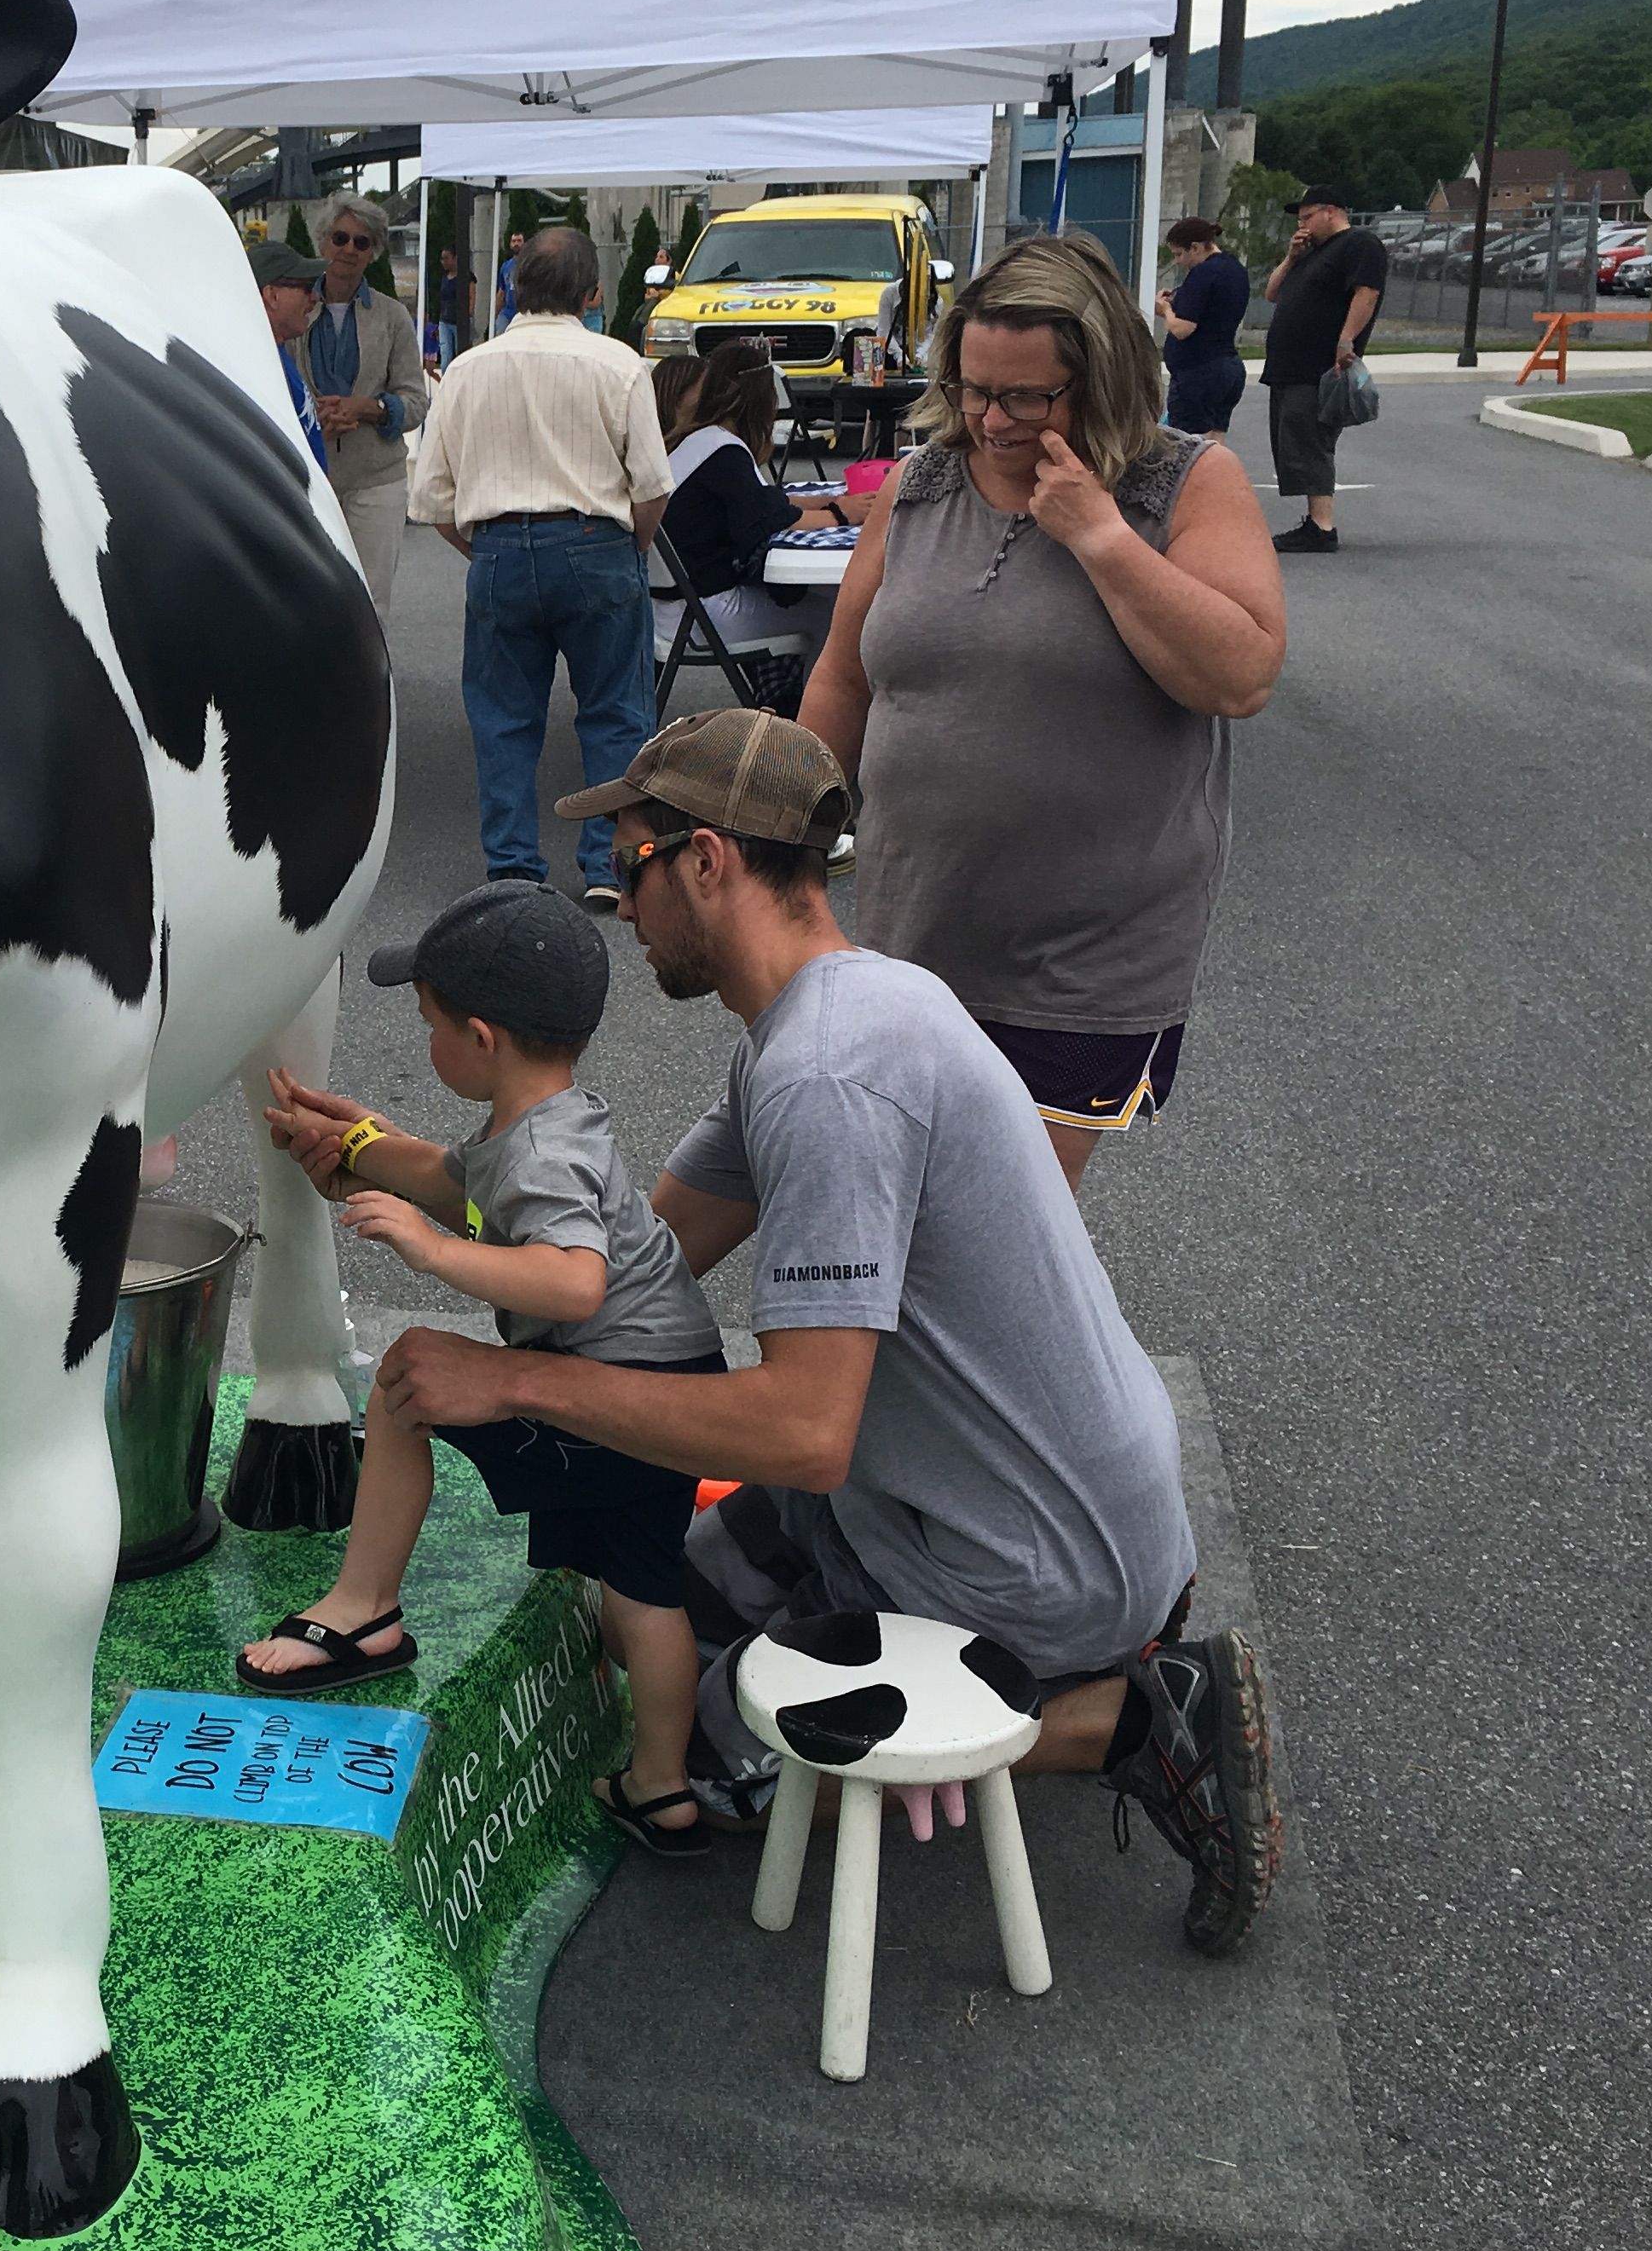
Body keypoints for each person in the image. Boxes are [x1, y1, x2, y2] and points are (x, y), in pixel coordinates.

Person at [367, 708, 1283, 1949]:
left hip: (1026, 1553)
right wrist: (392, 1161)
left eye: (630, 866)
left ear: (707, 862)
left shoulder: (826, 1078)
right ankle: (997, 1670)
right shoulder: (836, 1012)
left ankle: (1137, 1718)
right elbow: (643, 1262)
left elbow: (804, 1432)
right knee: (641, 1631)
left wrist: (509, 1385)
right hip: (961, 1497)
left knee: (697, 1763)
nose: (620, 908)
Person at [242, 880, 731, 1857]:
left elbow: (574, 1281)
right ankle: (661, 1787)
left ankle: (363, 1610)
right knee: (647, 1593)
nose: (426, 1041)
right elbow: (457, 1181)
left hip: (610, 1396)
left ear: (479, 1036)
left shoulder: (542, 1152)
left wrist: (429, 1251)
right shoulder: (553, 1119)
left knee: (406, 1383)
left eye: (429, 1025)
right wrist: (357, 1144)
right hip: (673, 1391)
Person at [797, 232, 1285, 1191]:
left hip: (1085, 967)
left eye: (1026, 397)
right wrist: (787, 840)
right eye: (973, 389)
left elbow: (1241, 677)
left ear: (1101, 378)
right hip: (911, 938)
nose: (992, 420)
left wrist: (1099, 535)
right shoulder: (920, 485)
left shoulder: (1183, 482)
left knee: (988, 1232)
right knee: (889, 1208)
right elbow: (845, 679)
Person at [409, 224, 673, 909]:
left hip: (499, 543)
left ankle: (513, 866)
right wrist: (631, 547)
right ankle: (610, 864)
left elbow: (432, 499)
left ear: (513, 287)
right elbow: (652, 486)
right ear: (591, 294)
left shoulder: (466, 370)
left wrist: (490, 551)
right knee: (615, 711)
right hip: (596, 540)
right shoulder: (620, 365)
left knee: (503, 717)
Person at [650, 343, 842, 681]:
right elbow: (768, 521)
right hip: (700, 614)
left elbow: (763, 502)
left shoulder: (697, 442)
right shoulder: (722, 451)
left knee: (824, 596)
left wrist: (831, 505)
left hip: (667, 607)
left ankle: (790, 700)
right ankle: (811, 711)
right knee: (836, 615)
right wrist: (841, 515)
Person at [305, 194, 431, 622]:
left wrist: (370, 408)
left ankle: (366, 671)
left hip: (376, 482)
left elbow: (416, 401)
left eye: (362, 242)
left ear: (373, 252)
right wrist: (313, 417)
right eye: (341, 238)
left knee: (370, 605)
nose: (349, 249)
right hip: (308, 478)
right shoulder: (295, 309)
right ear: (323, 242)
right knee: (307, 598)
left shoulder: (394, 318)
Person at [1259, 186, 1386, 552]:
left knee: (1312, 439)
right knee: (1293, 441)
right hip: (1289, 366)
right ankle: (1314, 521)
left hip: (1318, 364)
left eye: (1307, 217)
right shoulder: (1310, 253)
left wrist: (1346, 340)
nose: (1303, 225)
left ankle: (1321, 526)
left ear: (1331, 211)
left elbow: (1367, 293)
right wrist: (1291, 258)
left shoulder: (1359, 244)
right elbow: (1271, 293)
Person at [1157, 216, 1250, 434]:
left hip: (1198, 371)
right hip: (1228, 366)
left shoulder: (1202, 274)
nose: (1178, 261)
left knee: (1189, 442)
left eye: (1179, 254)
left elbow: (1182, 329)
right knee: (1215, 439)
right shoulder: (1235, 268)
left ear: (1195, 248)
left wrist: (1166, 310)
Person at [251, 240, 331, 472]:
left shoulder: (275, 355)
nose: (314, 297)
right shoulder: (257, 368)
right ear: (272, 296)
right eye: (306, 287)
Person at [495, 226, 525, 332]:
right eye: (514, 241)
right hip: (507, 313)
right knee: (500, 334)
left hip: (523, 313)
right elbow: (501, 292)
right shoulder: (505, 266)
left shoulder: (530, 265)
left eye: (519, 241)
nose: (516, 244)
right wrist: (495, 314)